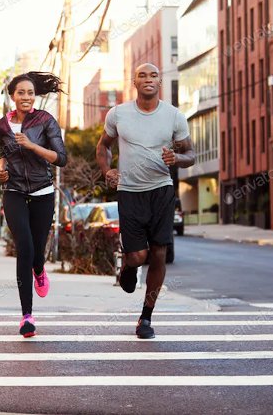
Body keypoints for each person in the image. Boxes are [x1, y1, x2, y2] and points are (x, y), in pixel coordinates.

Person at [96, 63, 195, 339]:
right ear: (134, 82)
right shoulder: (118, 114)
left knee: (159, 254)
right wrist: (108, 171)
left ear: (160, 82)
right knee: (138, 256)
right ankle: (128, 265)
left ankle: (146, 318)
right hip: (129, 191)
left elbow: (191, 155)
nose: (148, 79)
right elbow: (103, 146)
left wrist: (177, 158)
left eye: (153, 75)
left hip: (161, 190)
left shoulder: (174, 116)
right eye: (142, 75)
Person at [0, 72, 67, 338]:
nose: (26, 97)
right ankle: (27, 316)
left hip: (42, 191)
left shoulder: (46, 121)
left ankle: (39, 269)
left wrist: (33, 146)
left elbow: (61, 158)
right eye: (21, 93)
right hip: (13, 191)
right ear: (12, 96)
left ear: (35, 96)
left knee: (37, 251)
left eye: (30, 93)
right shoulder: (2, 125)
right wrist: (1, 171)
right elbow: (4, 155)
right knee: (23, 248)